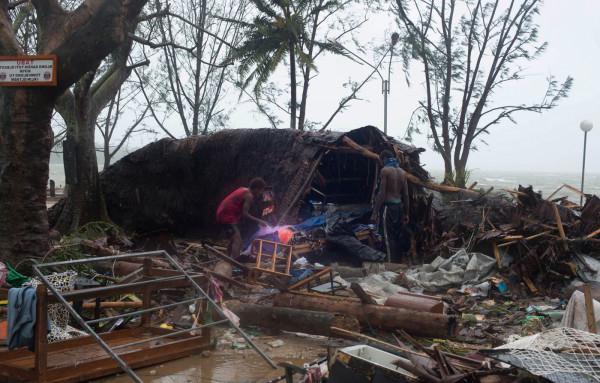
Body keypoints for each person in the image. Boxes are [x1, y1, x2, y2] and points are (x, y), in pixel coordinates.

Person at [370, 150, 410, 262]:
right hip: (399, 208)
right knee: (397, 236)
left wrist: (374, 213)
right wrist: (407, 213)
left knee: (388, 237)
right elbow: (406, 195)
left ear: (383, 159)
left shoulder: (385, 171)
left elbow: (382, 193)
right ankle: (398, 262)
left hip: (388, 208)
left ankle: (390, 263)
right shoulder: (402, 172)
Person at [216, 178, 269, 259]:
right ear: (256, 189)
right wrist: (259, 221)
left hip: (223, 213)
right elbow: (245, 214)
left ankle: (227, 259)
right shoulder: (249, 196)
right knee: (238, 240)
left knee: (233, 238)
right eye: (261, 190)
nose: (260, 193)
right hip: (227, 216)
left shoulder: (243, 189)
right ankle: (236, 263)